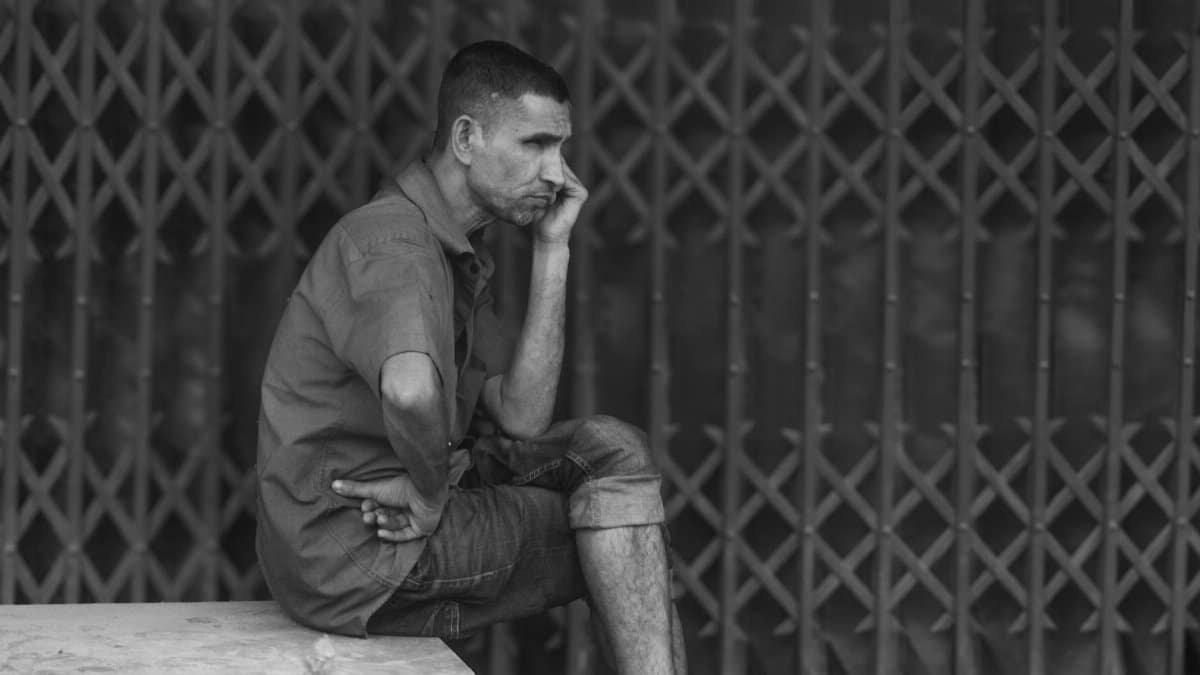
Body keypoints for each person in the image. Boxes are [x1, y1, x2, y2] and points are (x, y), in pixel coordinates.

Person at [255, 40, 685, 673]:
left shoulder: (448, 251)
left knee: (613, 451)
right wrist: (429, 495)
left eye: (560, 148)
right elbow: (409, 391)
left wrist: (553, 250)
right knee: (624, 535)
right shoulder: (394, 245)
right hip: (360, 550)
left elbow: (521, 416)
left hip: (373, 537)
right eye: (535, 144)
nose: (558, 174)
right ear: (465, 138)